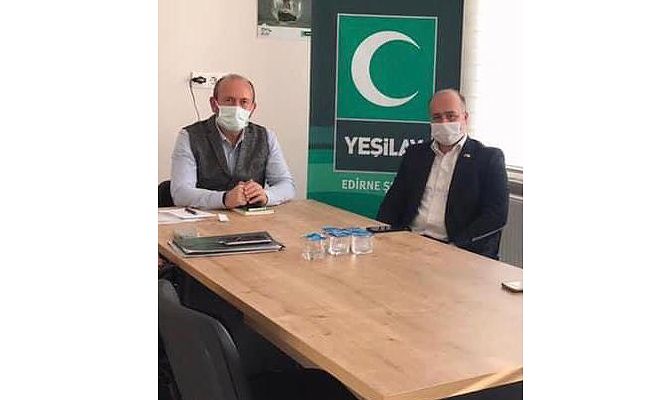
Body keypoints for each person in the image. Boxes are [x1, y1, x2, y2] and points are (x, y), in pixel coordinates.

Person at [377, 89, 509, 259]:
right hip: (410, 242)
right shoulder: (415, 154)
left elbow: (496, 215)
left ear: (465, 118)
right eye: (437, 117)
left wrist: (455, 246)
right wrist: (383, 237)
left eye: (451, 116)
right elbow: (392, 202)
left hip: (457, 249)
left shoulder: (488, 158)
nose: (444, 122)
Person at [170, 73, 295, 209]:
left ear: (252, 108)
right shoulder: (189, 136)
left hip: (251, 219)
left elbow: (286, 185)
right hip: (205, 219)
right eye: (229, 100)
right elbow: (180, 193)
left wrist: (266, 195)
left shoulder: (266, 137)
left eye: (244, 102)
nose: (237, 108)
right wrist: (224, 199)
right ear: (214, 104)